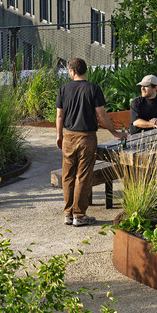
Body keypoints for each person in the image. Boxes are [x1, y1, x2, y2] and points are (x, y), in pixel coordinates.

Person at [56, 57, 124, 227]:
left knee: (68, 176)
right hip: (87, 137)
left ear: (72, 72)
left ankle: (68, 214)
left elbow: (59, 115)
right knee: (83, 176)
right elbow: (101, 115)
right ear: (85, 71)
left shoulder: (63, 89)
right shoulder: (93, 89)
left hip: (69, 136)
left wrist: (59, 135)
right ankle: (79, 215)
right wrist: (114, 132)